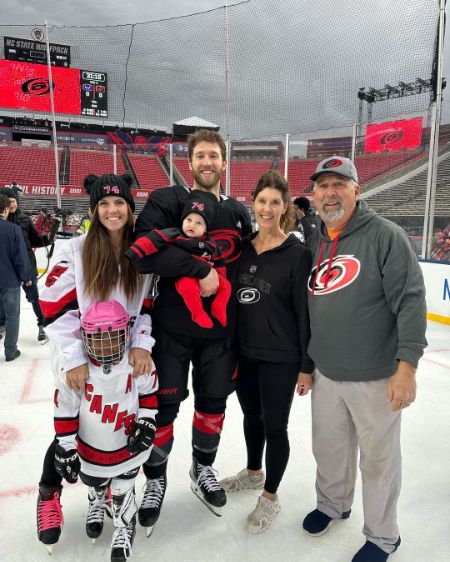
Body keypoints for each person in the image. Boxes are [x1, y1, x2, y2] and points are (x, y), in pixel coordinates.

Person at [302, 156, 427, 562]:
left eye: (340, 183)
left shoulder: (384, 235)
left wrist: (406, 368)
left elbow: (410, 302)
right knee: (330, 450)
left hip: (375, 375)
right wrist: (308, 364)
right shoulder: (317, 240)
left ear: (358, 190)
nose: (330, 192)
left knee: (379, 461)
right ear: (315, 195)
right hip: (327, 372)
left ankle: (382, 536)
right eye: (323, 186)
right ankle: (332, 504)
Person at [125, 129, 252, 527]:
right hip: (172, 328)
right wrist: (200, 271)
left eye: (214, 155)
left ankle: (203, 467)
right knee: (163, 407)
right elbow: (144, 253)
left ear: (224, 163)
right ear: (190, 162)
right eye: (200, 156)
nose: (207, 162)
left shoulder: (237, 211)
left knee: (214, 403)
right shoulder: (168, 200)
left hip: (222, 331)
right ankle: (156, 479)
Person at [35, 173, 156, 551]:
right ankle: (48, 494)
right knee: (75, 426)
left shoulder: (143, 251)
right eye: (103, 204)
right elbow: (52, 306)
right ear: (94, 210)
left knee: (115, 425)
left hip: (124, 356)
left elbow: (147, 307)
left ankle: (111, 493)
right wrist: (72, 357)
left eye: (119, 202)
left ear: (130, 208)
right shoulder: (75, 248)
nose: (112, 209)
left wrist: (141, 343)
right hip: (81, 360)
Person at [219, 171, 314, 534]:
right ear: (253, 204)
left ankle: (270, 497)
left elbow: (305, 313)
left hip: (281, 355)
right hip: (245, 352)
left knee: (276, 426)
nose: (268, 208)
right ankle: (254, 473)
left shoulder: (298, 254)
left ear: (285, 206)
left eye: (275, 202)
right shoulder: (242, 248)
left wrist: (307, 365)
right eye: (262, 201)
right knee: (251, 416)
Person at [50, 300, 158, 561]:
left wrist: (147, 419)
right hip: (92, 447)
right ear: (84, 338)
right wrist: (65, 446)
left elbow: (149, 393)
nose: (106, 344)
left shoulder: (135, 360)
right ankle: (96, 501)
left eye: (113, 336)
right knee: (95, 483)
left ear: (126, 333)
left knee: (124, 488)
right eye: (97, 338)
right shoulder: (77, 369)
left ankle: (124, 526)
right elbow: (65, 408)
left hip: (126, 445)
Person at [130, 189, 231, 328]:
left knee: (227, 286)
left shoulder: (211, 243)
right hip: (185, 275)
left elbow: (220, 260)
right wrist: (135, 251)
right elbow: (154, 239)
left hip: (207, 278)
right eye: (188, 220)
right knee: (187, 287)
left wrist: (218, 277)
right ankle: (197, 313)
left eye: (198, 223)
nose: (192, 225)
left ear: (206, 229)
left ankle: (219, 307)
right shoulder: (176, 235)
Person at [0, 187, 58, 343]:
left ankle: (42, 325)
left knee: (34, 298)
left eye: (14, 201)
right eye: (9, 202)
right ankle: (2, 324)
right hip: (7, 270)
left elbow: (35, 241)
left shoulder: (24, 219)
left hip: (27, 267)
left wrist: (49, 238)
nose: (12, 205)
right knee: (2, 300)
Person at [0, 194, 32, 360]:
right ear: (5, 209)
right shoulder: (13, 229)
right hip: (9, 280)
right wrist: (26, 277)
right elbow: (20, 258)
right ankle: (10, 351)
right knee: (12, 317)